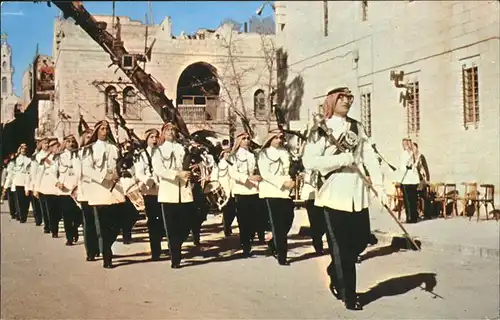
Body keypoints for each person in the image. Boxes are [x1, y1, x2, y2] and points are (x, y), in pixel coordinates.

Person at [302, 87, 388, 311]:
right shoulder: (320, 129)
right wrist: (341, 159)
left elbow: (369, 155)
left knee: (360, 241)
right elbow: (310, 161)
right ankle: (349, 295)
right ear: (331, 100)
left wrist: (379, 185)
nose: (347, 101)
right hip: (333, 192)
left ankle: (334, 271)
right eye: (341, 98)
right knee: (341, 249)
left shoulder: (357, 127)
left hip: (357, 193)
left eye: (349, 98)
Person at [81, 120, 127, 269]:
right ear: (96, 131)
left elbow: (119, 166)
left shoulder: (114, 148)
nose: (105, 131)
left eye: (107, 129)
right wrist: (102, 177)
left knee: (115, 224)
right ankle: (107, 254)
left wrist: (119, 172)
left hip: (114, 190)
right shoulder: (89, 149)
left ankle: (107, 245)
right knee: (102, 225)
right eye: (102, 129)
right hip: (99, 190)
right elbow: (86, 169)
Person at [151, 122, 196, 269]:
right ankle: (175, 257)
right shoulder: (158, 150)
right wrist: (176, 173)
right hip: (168, 192)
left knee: (186, 224)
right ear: (163, 133)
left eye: (173, 130)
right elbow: (158, 169)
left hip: (184, 191)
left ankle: (177, 244)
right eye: (168, 130)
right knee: (171, 227)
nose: (171, 132)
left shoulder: (182, 147)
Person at [258, 128, 296, 265]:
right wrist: (282, 182)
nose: (279, 140)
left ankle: (274, 243)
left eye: (280, 137)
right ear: (270, 139)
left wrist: (291, 180)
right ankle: (282, 256)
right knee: (278, 224)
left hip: (285, 192)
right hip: (271, 191)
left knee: (289, 219)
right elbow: (265, 174)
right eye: (276, 137)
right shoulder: (263, 154)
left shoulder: (285, 152)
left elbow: (287, 170)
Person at [228, 131, 262, 257]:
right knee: (243, 221)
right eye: (244, 138)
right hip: (241, 190)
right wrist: (248, 178)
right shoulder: (233, 157)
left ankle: (250, 240)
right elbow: (233, 173)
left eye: (248, 138)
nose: (247, 140)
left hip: (253, 191)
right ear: (239, 141)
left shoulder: (253, 155)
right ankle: (245, 246)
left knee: (253, 220)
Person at [135, 128, 163, 261]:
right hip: (150, 191)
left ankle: (160, 241)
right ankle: (155, 250)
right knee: (153, 221)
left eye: (156, 137)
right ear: (146, 139)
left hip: (163, 190)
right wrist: (148, 180)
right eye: (152, 137)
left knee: (163, 220)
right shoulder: (142, 154)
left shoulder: (162, 153)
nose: (155, 139)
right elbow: (139, 172)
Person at [74, 128, 100, 261]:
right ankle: (90, 251)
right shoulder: (79, 153)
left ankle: (99, 248)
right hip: (86, 191)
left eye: (92, 136)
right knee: (89, 222)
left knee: (99, 222)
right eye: (87, 137)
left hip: (98, 190)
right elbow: (78, 173)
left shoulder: (97, 151)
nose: (90, 139)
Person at [55, 134, 82, 246]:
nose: (71, 144)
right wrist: (57, 182)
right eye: (68, 141)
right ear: (65, 144)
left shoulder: (79, 155)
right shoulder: (59, 157)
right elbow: (53, 171)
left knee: (78, 214)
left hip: (76, 189)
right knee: (66, 215)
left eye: (73, 142)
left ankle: (74, 228)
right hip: (65, 191)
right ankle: (69, 237)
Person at [37, 138, 63, 238]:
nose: (58, 148)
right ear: (51, 148)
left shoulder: (60, 157)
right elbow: (50, 173)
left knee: (58, 210)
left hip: (60, 189)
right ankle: (54, 230)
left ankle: (54, 226)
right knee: (51, 210)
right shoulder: (46, 159)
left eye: (58, 146)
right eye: (56, 146)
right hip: (50, 188)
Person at [210, 144, 236, 237]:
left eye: (229, 153)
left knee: (233, 211)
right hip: (223, 191)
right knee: (226, 211)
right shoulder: (218, 164)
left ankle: (227, 227)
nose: (228, 155)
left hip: (233, 190)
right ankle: (226, 229)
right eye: (226, 153)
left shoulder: (233, 164)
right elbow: (214, 177)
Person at [398, 138, 420, 223]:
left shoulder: (413, 153)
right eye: (403, 144)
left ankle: (413, 217)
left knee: (413, 199)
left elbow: (416, 163)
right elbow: (401, 166)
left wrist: (413, 163)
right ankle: (409, 217)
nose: (404, 146)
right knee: (407, 200)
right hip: (405, 179)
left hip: (412, 178)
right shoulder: (403, 154)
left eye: (405, 144)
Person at [11, 144, 31, 223]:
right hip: (18, 181)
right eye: (22, 148)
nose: (23, 150)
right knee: (19, 199)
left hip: (26, 180)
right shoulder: (15, 159)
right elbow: (11, 169)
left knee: (26, 200)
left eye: (25, 149)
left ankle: (24, 215)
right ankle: (21, 215)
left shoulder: (29, 159)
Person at [413, 142, 432, 219]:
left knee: (424, 196)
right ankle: (417, 212)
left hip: (421, 179)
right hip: (414, 179)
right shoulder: (411, 157)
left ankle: (427, 212)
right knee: (415, 196)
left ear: (417, 148)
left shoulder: (421, 157)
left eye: (414, 148)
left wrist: (427, 179)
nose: (413, 149)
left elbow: (425, 168)